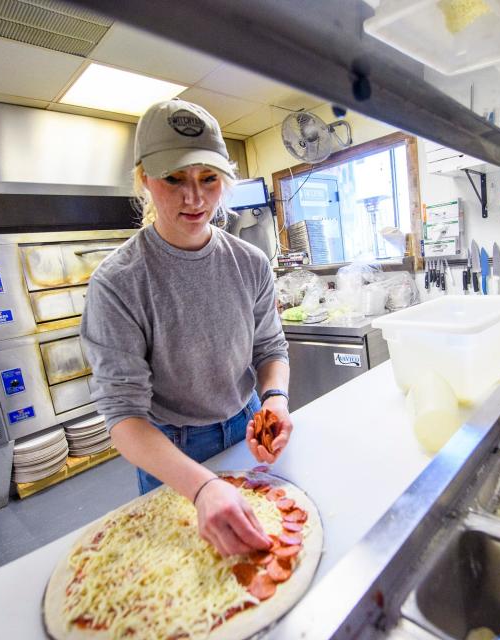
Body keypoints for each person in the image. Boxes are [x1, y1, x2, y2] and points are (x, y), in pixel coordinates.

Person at [81, 99, 292, 557]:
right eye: (174, 179)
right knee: (185, 575)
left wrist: (275, 399)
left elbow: (270, 347)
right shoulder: (119, 282)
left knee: (265, 552)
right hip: (172, 449)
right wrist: (201, 489)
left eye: (208, 179)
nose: (194, 198)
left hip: (246, 425)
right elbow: (124, 417)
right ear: (143, 179)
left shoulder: (250, 262)